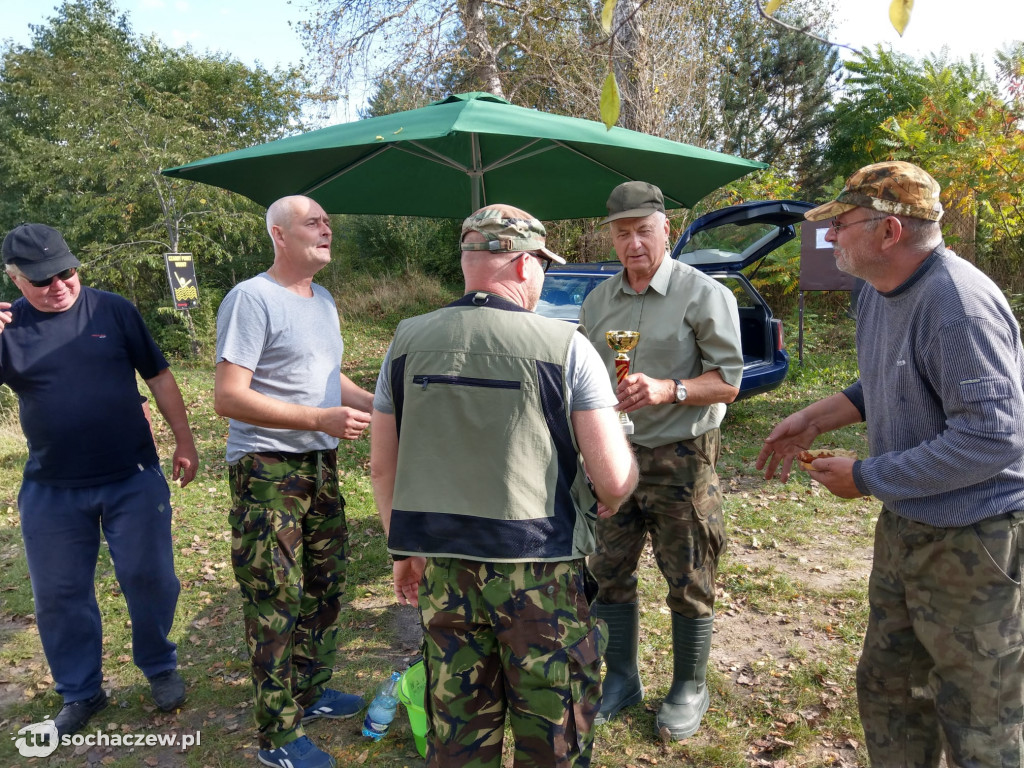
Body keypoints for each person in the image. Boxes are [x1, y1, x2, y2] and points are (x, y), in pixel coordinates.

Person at [756, 161, 1024, 766]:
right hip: (906, 529)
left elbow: (994, 440)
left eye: (842, 224)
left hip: (971, 541)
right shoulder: (879, 293)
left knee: (980, 719)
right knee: (890, 691)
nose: (830, 237)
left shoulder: (959, 305)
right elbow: (896, 378)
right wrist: (817, 417)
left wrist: (867, 476)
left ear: (889, 231)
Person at [369, 204, 638, 768]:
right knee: (554, 736)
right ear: (521, 265)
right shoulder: (565, 346)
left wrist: (403, 547)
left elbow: (381, 468)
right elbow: (613, 479)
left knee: (459, 734)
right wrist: (616, 487)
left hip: (443, 566)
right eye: (542, 263)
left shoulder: (406, 341)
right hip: (542, 572)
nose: (543, 275)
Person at [0, 223, 198, 737]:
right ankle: (82, 692)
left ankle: (159, 666)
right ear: (15, 280)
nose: (60, 284)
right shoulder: (7, 328)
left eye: (67, 271)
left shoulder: (112, 309)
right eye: (43, 280)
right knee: (60, 595)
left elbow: (158, 375)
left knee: (151, 579)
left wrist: (184, 439)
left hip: (131, 477)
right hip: (51, 487)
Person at [577, 181, 744, 739]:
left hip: (682, 457)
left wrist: (669, 389)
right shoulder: (599, 301)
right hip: (614, 455)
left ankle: (688, 686)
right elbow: (587, 377)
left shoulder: (703, 294)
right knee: (607, 570)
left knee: (689, 573)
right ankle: (621, 678)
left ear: (665, 229)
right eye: (622, 234)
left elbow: (727, 383)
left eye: (643, 231)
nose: (633, 244)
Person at [214, 195, 374, 768]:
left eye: (329, 220)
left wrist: (378, 406)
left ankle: (309, 689)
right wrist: (318, 419)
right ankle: (276, 735)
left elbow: (327, 377)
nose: (327, 228)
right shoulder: (251, 299)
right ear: (280, 235)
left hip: (321, 465)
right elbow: (228, 396)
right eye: (314, 221)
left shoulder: (323, 299)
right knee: (274, 598)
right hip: (267, 470)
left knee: (327, 584)